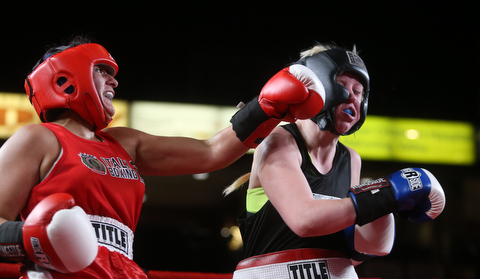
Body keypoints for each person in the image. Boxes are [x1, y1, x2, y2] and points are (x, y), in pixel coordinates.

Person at [0, 36, 327, 278]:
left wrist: (266, 108)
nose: (114, 80)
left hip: (123, 270)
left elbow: (211, 152)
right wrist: (31, 237)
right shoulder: (37, 139)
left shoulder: (122, 143)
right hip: (58, 272)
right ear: (64, 79)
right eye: (102, 71)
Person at [224, 43, 446, 279]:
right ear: (315, 86)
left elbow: (339, 250)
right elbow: (304, 220)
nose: (352, 97)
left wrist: (378, 218)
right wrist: (387, 194)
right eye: (341, 85)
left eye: (359, 91)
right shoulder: (277, 142)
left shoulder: (351, 158)